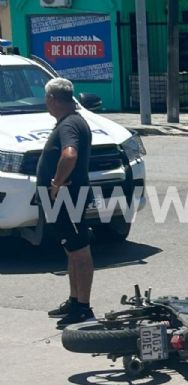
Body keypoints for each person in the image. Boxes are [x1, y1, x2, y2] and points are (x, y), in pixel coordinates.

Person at [37, 78, 95, 326]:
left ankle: (83, 308)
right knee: (72, 250)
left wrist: (57, 183)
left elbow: (69, 155)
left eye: (45, 99)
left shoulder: (69, 124)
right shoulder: (71, 121)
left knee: (80, 251)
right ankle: (74, 301)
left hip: (68, 199)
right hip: (65, 199)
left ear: (52, 99)